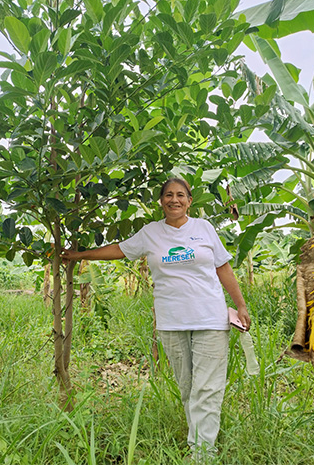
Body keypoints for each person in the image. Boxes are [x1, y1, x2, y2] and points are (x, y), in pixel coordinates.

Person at [60, 176, 249, 460]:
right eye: (169, 195)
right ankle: (199, 439)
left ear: (190, 200)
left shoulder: (204, 229)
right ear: (161, 201)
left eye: (181, 195)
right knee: (187, 387)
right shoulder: (150, 233)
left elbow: (223, 268)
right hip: (172, 321)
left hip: (210, 318)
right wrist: (79, 255)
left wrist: (241, 304)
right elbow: (119, 250)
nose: (175, 200)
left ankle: (202, 454)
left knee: (207, 388)